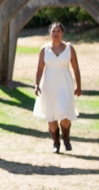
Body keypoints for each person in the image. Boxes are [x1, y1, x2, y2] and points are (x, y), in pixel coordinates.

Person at [34, 22, 82, 153]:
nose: (56, 34)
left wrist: (79, 86)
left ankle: (66, 138)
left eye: (58, 31)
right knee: (51, 115)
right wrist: (36, 84)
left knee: (64, 111)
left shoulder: (69, 48)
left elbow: (76, 68)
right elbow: (39, 69)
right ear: (50, 33)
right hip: (49, 84)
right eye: (53, 31)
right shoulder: (44, 49)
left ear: (62, 33)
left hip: (64, 84)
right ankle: (56, 143)